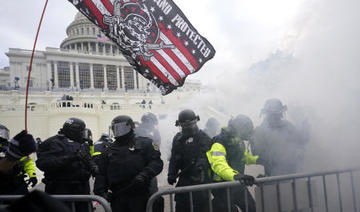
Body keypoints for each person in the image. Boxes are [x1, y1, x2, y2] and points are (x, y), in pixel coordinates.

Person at [94, 115, 163, 212]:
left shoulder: (145, 144)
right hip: (118, 196)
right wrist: (101, 192)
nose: (118, 132)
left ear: (130, 127)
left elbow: (156, 162)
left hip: (140, 194)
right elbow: (101, 173)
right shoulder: (108, 151)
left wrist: (145, 174)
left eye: (121, 128)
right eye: (116, 129)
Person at [36, 118, 98, 212]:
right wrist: (69, 158)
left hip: (82, 191)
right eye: (81, 131)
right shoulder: (52, 142)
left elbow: (87, 158)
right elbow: (43, 163)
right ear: (74, 130)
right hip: (60, 192)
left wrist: (93, 167)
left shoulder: (82, 144)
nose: (82, 134)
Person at [207, 114, 258, 212]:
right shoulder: (219, 142)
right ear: (240, 130)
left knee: (252, 209)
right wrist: (236, 176)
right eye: (247, 131)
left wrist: (261, 159)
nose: (249, 134)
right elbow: (219, 165)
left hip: (237, 185)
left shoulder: (239, 142)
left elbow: (246, 158)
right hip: (221, 187)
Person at [168, 109, 212, 212]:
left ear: (196, 122)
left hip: (200, 182)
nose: (188, 128)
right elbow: (174, 158)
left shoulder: (204, 138)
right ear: (180, 125)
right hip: (183, 181)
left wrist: (200, 168)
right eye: (184, 126)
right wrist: (171, 173)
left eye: (190, 125)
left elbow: (206, 158)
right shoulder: (177, 139)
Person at [251, 98, 309, 176]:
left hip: (292, 172)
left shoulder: (287, 126)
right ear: (268, 114)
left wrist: (305, 125)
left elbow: (300, 140)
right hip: (272, 174)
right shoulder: (260, 131)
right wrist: (277, 159)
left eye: (278, 114)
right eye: (273, 115)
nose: (276, 117)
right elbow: (258, 156)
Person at [135, 112, 164, 212]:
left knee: (154, 199)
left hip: (148, 170)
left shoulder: (154, 132)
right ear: (148, 122)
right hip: (142, 171)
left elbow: (157, 147)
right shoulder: (137, 132)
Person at [0, 125, 38, 194]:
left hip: (17, 182)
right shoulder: (12, 146)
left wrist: (32, 175)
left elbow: (27, 161)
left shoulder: (11, 146)